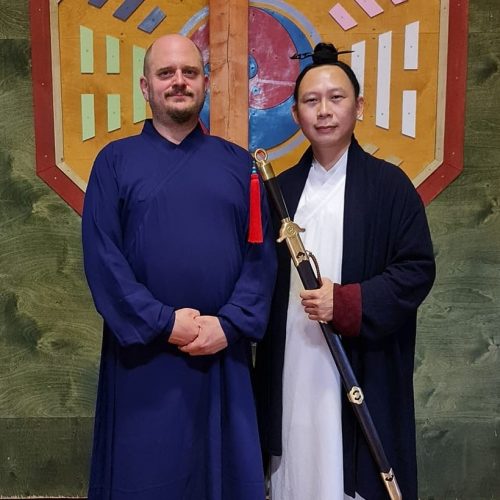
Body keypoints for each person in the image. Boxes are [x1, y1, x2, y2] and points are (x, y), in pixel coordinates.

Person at [82, 34, 276, 500]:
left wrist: (229, 324)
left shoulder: (240, 166)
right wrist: (163, 322)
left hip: (221, 354)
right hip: (144, 357)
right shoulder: (113, 163)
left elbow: (261, 257)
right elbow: (104, 258)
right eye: (166, 73)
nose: (179, 82)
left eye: (190, 72)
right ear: (145, 87)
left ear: (205, 83)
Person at [254, 43, 436, 500]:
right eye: (311, 101)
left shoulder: (390, 187)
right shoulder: (279, 191)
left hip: (359, 359)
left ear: (359, 106)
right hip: (292, 356)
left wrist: (348, 302)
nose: (324, 111)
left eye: (336, 98)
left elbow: (416, 270)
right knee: (295, 464)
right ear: (295, 114)